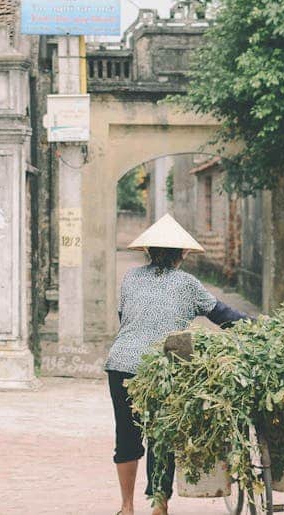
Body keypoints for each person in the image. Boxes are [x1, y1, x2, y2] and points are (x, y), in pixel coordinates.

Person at [105, 215, 252, 515]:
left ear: (148, 251)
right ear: (183, 253)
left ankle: (127, 506)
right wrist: (258, 327)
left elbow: (127, 320)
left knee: (127, 437)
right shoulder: (188, 284)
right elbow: (225, 317)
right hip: (163, 368)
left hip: (121, 363)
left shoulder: (131, 278)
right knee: (163, 437)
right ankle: (159, 506)